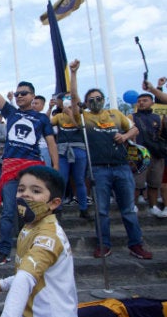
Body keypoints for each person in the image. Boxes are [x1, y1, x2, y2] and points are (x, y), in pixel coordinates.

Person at [0, 166, 80, 317]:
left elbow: (26, 277)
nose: (25, 194)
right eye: (21, 189)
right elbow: (30, 271)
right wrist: (4, 283)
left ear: (54, 203)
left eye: (36, 191)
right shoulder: (30, 227)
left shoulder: (48, 236)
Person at [70, 59, 152, 259]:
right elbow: (73, 99)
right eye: (91, 99)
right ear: (87, 103)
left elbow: (134, 128)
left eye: (98, 98)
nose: (95, 101)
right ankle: (103, 244)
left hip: (122, 167)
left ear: (103, 99)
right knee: (102, 211)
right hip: (98, 169)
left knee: (128, 210)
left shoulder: (115, 114)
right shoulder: (84, 117)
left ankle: (136, 244)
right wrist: (73, 74)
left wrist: (125, 136)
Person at [0, 65, 58, 265]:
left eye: (24, 93)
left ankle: (35, 250)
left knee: (33, 211)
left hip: (32, 170)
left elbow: (51, 143)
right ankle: (4, 251)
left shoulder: (42, 118)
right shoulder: (11, 113)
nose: (19, 96)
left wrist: (56, 169)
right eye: (17, 93)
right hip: (10, 169)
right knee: (8, 212)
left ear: (33, 96)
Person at [50, 91, 92, 220]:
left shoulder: (82, 115)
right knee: (62, 180)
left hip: (79, 149)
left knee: (80, 180)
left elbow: (82, 128)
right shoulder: (59, 116)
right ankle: (58, 209)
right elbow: (47, 124)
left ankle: (83, 208)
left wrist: (71, 115)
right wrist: (50, 108)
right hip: (63, 150)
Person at [128, 93, 167, 218]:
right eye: (139, 101)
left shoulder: (159, 118)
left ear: (152, 102)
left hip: (156, 154)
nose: (141, 103)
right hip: (139, 153)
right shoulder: (131, 117)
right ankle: (131, 205)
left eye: (145, 100)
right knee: (136, 183)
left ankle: (153, 206)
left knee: (154, 182)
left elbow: (163, 135)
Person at [31, 95, 52, 167]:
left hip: (43, 148)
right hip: (31, 149)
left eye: (36, 103)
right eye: (32, 103)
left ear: (42, 105)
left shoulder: (43, 117)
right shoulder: (27, 117)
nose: (33, 105)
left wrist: (50, 108)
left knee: (46, 171)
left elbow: (46, 119)